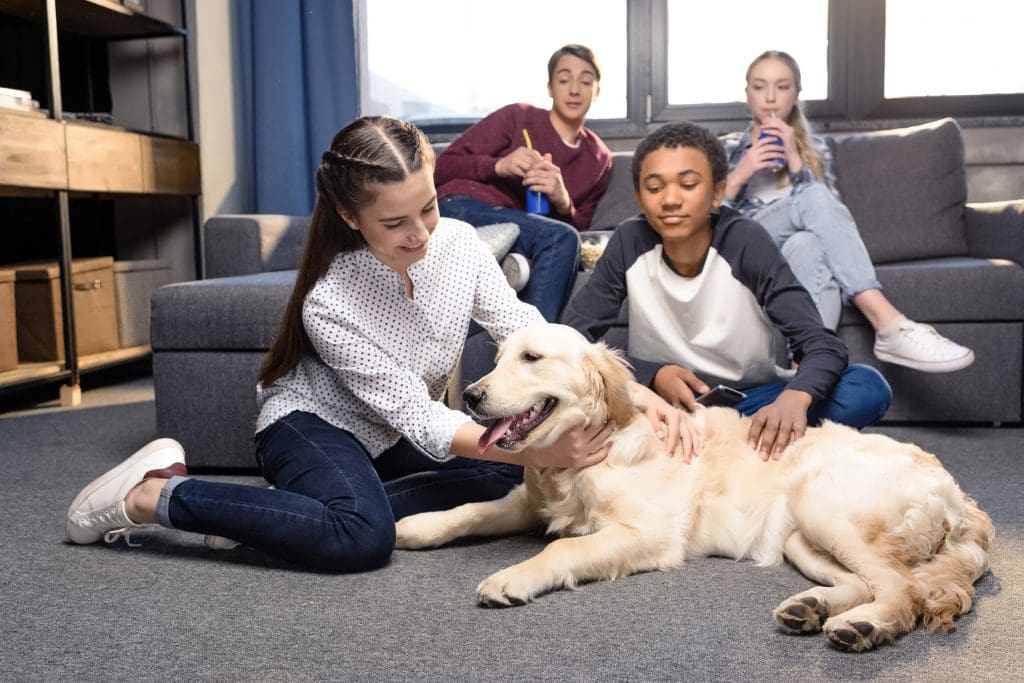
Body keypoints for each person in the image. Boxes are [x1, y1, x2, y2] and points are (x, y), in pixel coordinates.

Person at [65, 116, 685, 572]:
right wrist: (537, 454)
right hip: (312, 426)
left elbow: (522, 327)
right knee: (361, 537)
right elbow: (416, 414)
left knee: (509, 486)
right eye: (394, 223)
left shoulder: (462, 245)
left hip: (392, 441)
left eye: (430, 208)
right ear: (349, 216)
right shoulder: (328, 303)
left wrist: (627, 389)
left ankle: (285, 517)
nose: (419, 235)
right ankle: (154, 493)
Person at [562, 121, 893, 462]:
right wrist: (651, 374)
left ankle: (709, 448)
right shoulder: (628, 242)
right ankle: (743, 453)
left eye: (688, 184)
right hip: (659, 405)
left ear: (717, 193)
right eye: (655, 187)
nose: (671, 199)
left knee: (866, 386)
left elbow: (821, 344)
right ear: (640, 199)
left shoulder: (745, 240)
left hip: (747, 404)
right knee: (584, 400)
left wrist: (794, 398)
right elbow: (571, 340)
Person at [720, 50, 974, 373]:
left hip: (792, 255)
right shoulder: (726, 148)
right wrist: (744, 170)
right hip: (749, 244)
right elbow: (710, 222)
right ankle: (888, 323)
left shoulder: (817, 149)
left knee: (807, 245)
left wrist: (797, 160)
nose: (770, 97)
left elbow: (832, 215)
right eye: (760, 86)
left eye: (782, 87)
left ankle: (805, 371)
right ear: (747, 93)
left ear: (796, 93)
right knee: (812, 197)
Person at [434, 43, 613, 322]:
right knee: (557, 238)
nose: (575, 89)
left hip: (524, 227)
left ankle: (500, 263)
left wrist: (563, 200)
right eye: (564, 79)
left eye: (586, 81)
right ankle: (537, 346)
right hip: (462, 207)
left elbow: (582, 230)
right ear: (550, 88)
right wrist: (498, 165)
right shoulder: (518, 117)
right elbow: (442, 167)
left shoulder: (599, 157)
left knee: (561, 238)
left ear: (597, 90)